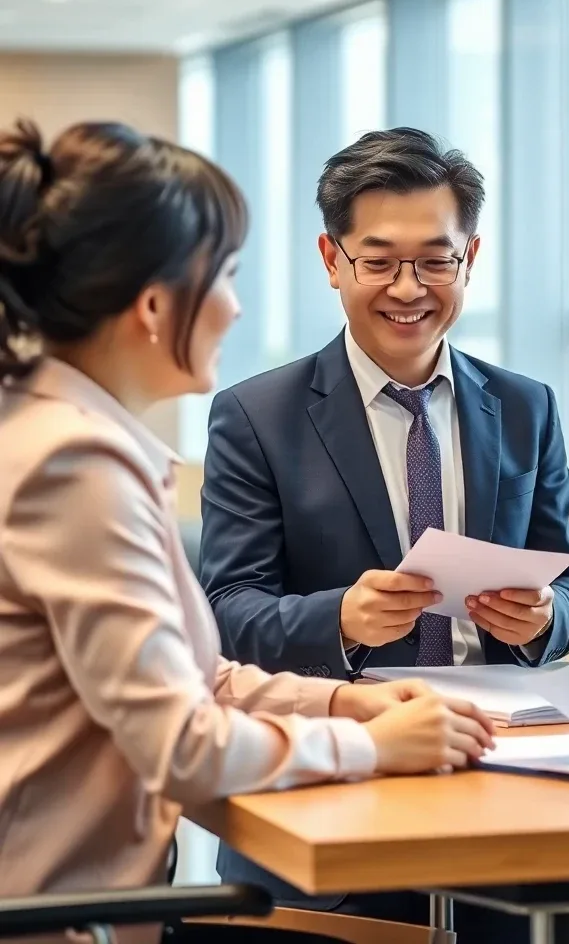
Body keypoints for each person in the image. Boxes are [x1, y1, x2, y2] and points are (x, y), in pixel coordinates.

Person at [0, 118, 494, 944]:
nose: (234, 307)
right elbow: (185, 748)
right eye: (225, 275)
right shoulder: (73, 466)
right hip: (65, 917)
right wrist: (369, 746)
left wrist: (349, 703)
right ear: (156, 305)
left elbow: (194, 682)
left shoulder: (63, 434)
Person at [199, 127, 569, 940]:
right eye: (378, 261)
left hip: (502, 780)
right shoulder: (256, 416)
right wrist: (339, 619)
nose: (408, 288)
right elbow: (226, 614)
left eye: (435, 260)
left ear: (471, 256)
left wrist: (545, 618)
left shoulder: (527, 408)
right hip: (331, 784)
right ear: (331, 258)